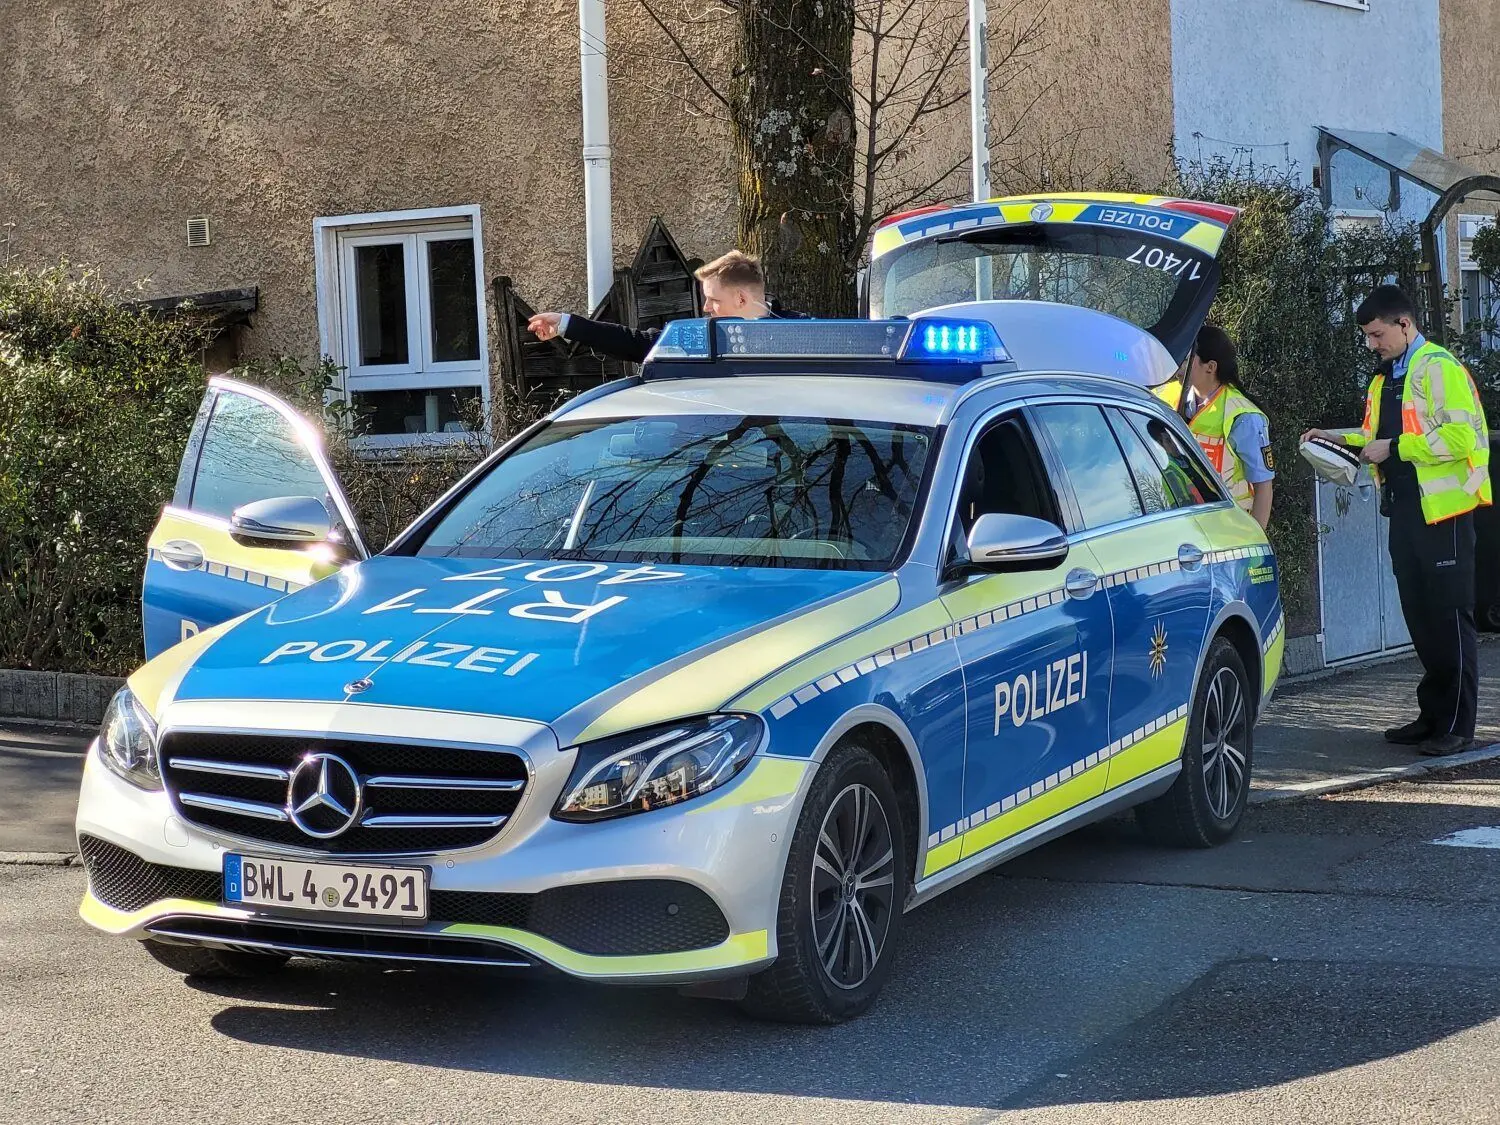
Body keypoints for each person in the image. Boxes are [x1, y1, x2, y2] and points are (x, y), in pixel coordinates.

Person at [1302, 284, 1492, 757]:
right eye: (1368, 336)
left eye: (1377, 334)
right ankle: (1433, 717)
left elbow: (1463, 436)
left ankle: (1458, 726)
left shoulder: (1439, 367)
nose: (1372, 344)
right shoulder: (1385, 378)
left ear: (1404, 324)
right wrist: (1335, 437)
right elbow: (1375, 436)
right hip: (1406, 511)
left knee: (1450, 620)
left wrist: (1398, 449)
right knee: (1421, 618)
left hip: (1444, 514)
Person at [527, 249, 803, 364]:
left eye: (714, 300)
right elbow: (637, 342)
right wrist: (566, 324)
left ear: (741, 299)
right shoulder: (702, 338)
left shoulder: (806, 336)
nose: (706, 308)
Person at [1180, 325, 1275, 529]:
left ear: (1210, 367)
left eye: (1187, 360)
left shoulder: (1243, 417)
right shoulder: (1170, 398)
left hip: (1227, 531)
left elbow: (1263, 486)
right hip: (1182, 524)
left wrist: (1255, 542)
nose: (1180, 365)